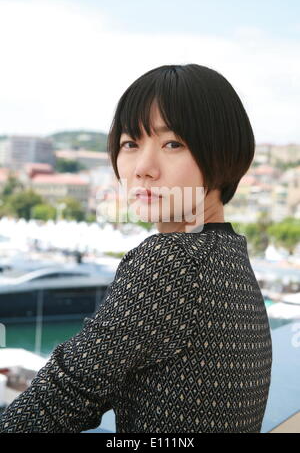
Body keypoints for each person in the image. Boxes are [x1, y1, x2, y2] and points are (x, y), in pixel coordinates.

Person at [0, 64, 272, 433]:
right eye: (130, 143)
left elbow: (61, 397)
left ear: (224, 155)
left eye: (172, 143)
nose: (143, 168)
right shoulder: (229, 253)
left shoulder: (172, 259)